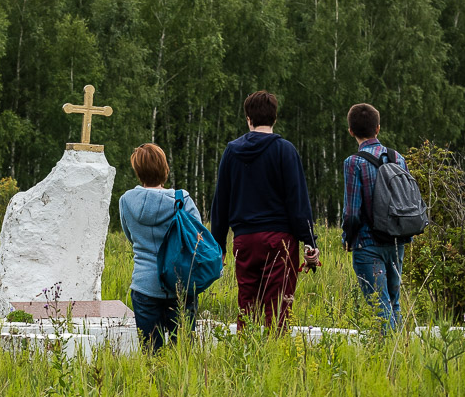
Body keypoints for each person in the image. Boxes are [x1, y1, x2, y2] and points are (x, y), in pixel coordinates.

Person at [210, 91, 319, 331]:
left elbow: (221, 203)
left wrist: (219, 247)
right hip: (280, 241)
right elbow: (298, 201)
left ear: (248, 118)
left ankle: (245, 351)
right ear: (275, 118)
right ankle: (274, 352)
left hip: (244, 241)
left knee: (246, 307)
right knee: (278, 310)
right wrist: (310, 242)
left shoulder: (231, 152)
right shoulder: (285, 150)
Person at [119, 143, 204, 350]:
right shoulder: (182, 199)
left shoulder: (126, 200)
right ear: (165, 168)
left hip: (144, 286)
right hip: (181, 283)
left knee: (150, 353)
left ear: (138, 170)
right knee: (182, 354)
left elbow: (130, 237)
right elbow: (198, 239)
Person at [341, 103, 409, 332]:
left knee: (379, 306)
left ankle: (386, 350)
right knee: (394, 303)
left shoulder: (353, 163)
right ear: (378, 128)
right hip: (397, 241)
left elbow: (352, 213)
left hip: (367, 244)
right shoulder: (398, 158)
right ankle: (399, 349)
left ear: (351, 131)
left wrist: (347, 238)